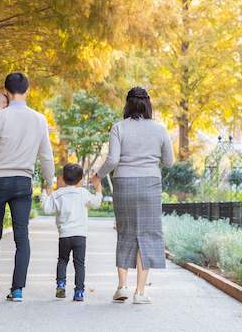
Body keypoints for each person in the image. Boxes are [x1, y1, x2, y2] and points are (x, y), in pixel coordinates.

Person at [90, 86, 174, 304]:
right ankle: (140, 292)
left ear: (127, 104)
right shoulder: (160, 129)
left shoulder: (118, 127)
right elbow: (169, 161)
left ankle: (121, 287)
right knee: (147, 234)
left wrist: (97, 176)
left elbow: (113, 160)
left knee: (125, 233)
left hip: (124, 183)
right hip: (150, 184)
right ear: (148, 104)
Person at [0, 72, 55, 302]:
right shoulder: (39, 119)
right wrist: (49, 184)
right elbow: (46, 157)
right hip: (23, 182)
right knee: (22, 236)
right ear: (28, 91)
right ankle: (17, 289)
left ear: (6, 92)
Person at [40, 163, 103, 302]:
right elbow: (97, 202)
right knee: (79, 264)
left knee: (63, 260)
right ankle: (79, 292)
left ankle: (61, 284)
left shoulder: (57, 194)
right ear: (81, 181)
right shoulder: (83, 193)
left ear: (62, 178)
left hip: (64, 236)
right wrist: (98, 187)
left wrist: (45, 192)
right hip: (80, 235)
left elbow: (46, 209)